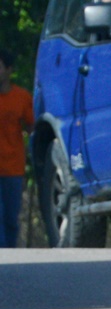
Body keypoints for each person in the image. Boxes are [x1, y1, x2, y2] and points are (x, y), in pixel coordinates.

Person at [0, 48, 34, 249]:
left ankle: (11, 255)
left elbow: (32, 127)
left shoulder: (21, 97)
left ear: (9, 70)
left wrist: (33, 154)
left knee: (11, 218)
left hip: (13, 166)